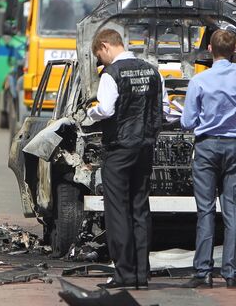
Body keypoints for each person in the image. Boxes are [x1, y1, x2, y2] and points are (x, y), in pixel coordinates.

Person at [180, 30, 236, 289]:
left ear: (209, 49)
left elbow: (187, 121)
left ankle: (203, 273)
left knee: (205, 210)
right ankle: (231, 272)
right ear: (235, 50)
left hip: (207, 148)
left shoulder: (199, 80)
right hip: (235, 147)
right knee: (232, 211)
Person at [86, 29, 162, 290]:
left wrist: (91, 113)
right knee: (140, 208)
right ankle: (142, 273)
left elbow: (106, 109)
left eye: (99, 55)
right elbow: (159, 112)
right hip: (145, 147)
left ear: (105, 46)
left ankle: (125, 273)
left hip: (119, 148)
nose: (101, 61)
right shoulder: (152, 71)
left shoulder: (112, 74)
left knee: (117, 210)